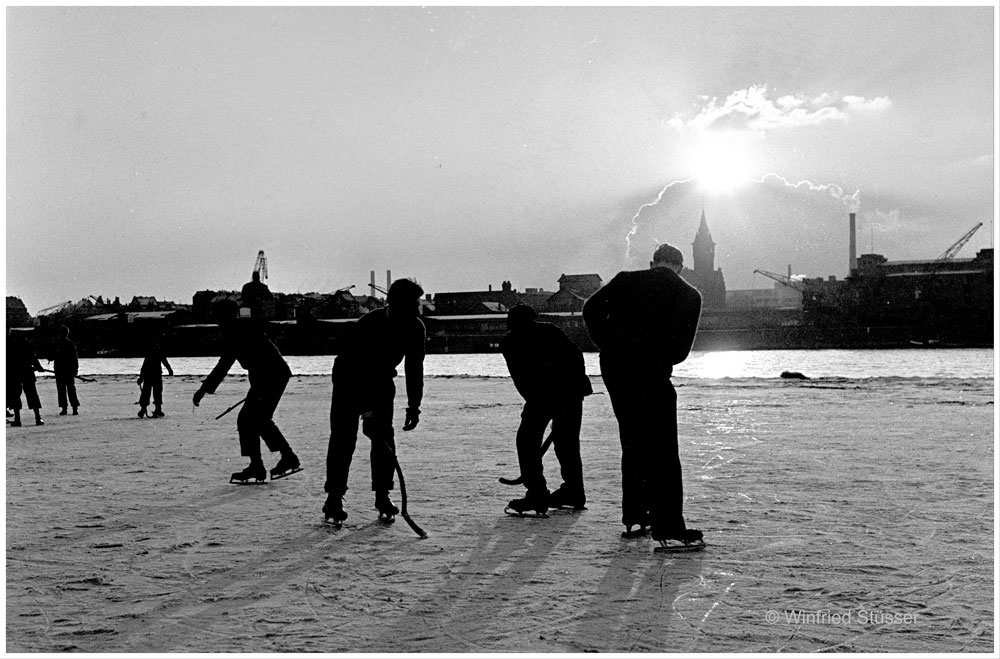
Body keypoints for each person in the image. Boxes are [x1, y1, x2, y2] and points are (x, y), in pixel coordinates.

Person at [582, 243, 704, 549]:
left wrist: (610, 344)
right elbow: (681, 351)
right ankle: (669, 525)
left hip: (617, 370)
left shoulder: (625, 279)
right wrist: (659, 355)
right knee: (663, 448)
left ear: (652, 263)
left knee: (632, 441)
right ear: (681, 266)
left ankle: (635, 516)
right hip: (653, 372)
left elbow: (589, 310)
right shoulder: (690, 294)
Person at [323, 278, 426, 525]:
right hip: (349, 380)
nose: (417, 309)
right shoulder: (369, 324)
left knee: (383, 440)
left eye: (417, 304)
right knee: (343, 439)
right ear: (394, 303)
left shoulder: (415, 328)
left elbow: (415, 369)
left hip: (381, 383)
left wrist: (414, 405)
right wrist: (365, 406)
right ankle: (334, 498)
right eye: (412, 304)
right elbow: (352, 365)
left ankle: (382, 495)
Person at [192, 300, 301, 484]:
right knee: (251, 419)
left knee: (256, 419)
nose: (215, 319)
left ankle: (281, 459)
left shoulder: (236, 331)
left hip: (271, 377)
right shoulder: (239, 328)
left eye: (217, 315)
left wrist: (203, 389)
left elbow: (224, 364)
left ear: (225, 315)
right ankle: (261, 464)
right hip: (269, 377)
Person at [500, 304, 593, 516]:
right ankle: (566, 491)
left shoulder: (536, 335)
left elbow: (573, 358)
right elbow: (522, 377)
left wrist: (570, 386)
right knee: (560, 443)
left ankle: (546, 492)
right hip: (552, 394)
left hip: (563, 392)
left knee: (542, 442)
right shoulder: (535, 335)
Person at [7, 330, 46, 427]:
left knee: (15, 396)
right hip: (27, 372)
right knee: (32, 395)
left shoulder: (11, 346)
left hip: (14, 373)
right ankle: (38, 418)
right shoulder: (28, 345)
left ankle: (17, 419)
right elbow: (33, 358)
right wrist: (39, 367)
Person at [137, 333, 174, 418]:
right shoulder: (157, 351)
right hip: (154, 375)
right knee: (155, 393)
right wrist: (169, 370)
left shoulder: (152, 352)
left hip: (151, 376)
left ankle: (148, 409)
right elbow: (164, 361)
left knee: (149, 393)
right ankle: (154, 409)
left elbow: (144, 366)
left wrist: (141, 377)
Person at [50, 325, 80, 416]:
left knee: (62, 390)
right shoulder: (70, 344)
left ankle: (65, 408)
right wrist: (75, 369)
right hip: (68, 370)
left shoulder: (57, 344)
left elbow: (51, 357)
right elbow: (75, 359)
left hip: (60, 370)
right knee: (70, 389)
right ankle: (74, 408)